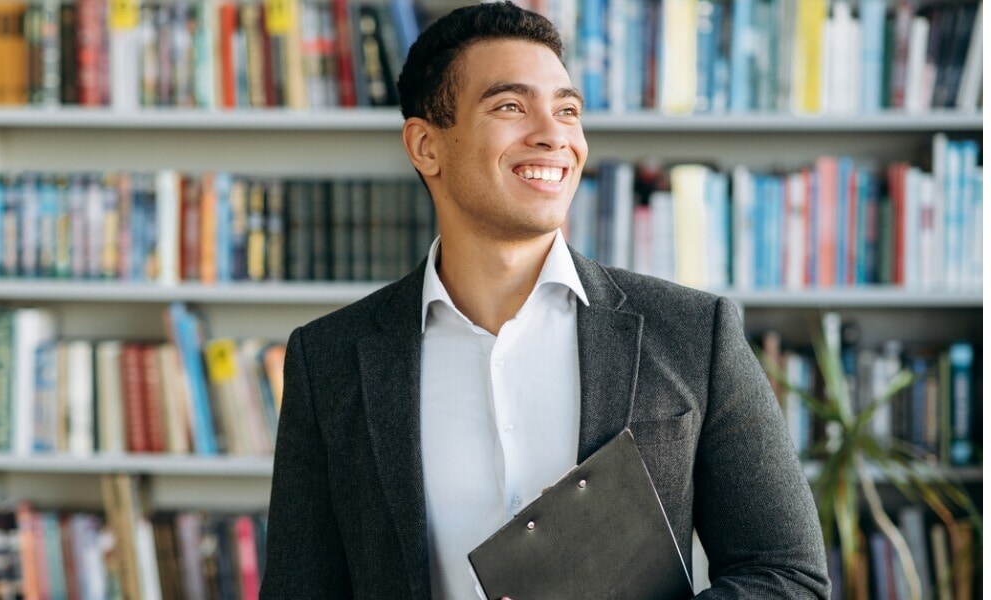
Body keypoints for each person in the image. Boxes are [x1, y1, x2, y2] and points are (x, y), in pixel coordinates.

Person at [260, 2, 830, 598]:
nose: (554, 134)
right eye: (510, 106)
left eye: (567, 110)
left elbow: (787, 576)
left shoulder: (692, 333)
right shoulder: (327, 361)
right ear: (426, 146)